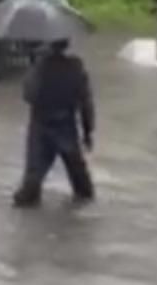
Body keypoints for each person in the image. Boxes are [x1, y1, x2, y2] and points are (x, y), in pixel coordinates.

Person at [13, 39, 96, 207]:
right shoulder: (75, 68)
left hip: (41, 125)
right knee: (82, 184)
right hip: (66, 125)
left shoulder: (39, 67)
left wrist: (33, 67)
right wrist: (88, 132)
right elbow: (85, 102)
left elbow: (28, 96)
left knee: (32, 180)